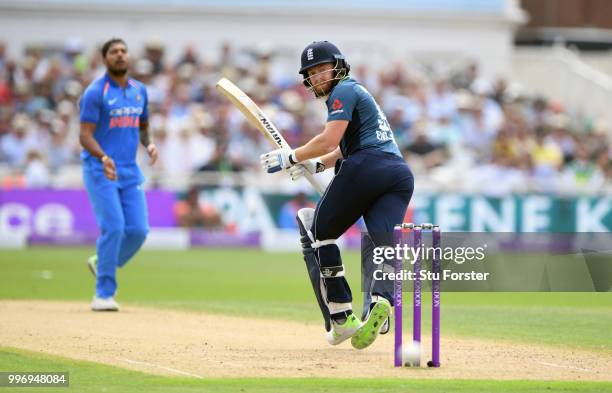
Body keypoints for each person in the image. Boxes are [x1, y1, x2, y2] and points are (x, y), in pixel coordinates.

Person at [260, 41, 414, 349]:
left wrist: (290, 157)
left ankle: (342, 317)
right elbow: (342, 147)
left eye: (321, 69)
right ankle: (381, 302)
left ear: (338, 66)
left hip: (367, 166)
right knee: (384, 242)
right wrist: (315, 164)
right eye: (311, 73)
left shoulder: (342, 91)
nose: (317, 77)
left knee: (318, 230)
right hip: (398, 174)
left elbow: (329, 138)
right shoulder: (359, 93)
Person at [79, 38, 158, 311]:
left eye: (124, 51)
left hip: (129, 169)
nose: (121, 55)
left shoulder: (139, 91)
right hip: (101, 168)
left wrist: (148, 144)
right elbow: (84, 134)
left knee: (137, 231)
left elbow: (143, 125)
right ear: (105, 59)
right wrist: (102, 157)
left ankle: (102, 262)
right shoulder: (95, 92)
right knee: (113, 228)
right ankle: (103, 293)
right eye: (114, 52)